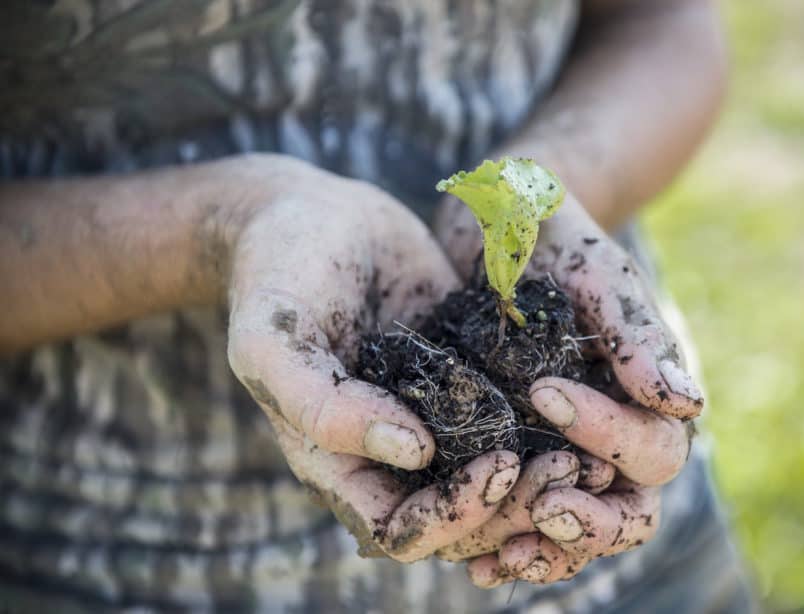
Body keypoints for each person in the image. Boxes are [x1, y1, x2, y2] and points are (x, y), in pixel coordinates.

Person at [0, 0, 754, 611]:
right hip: (106, 564)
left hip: (631, 575)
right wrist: (218, 227)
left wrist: (537, 188)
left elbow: (657, 20)